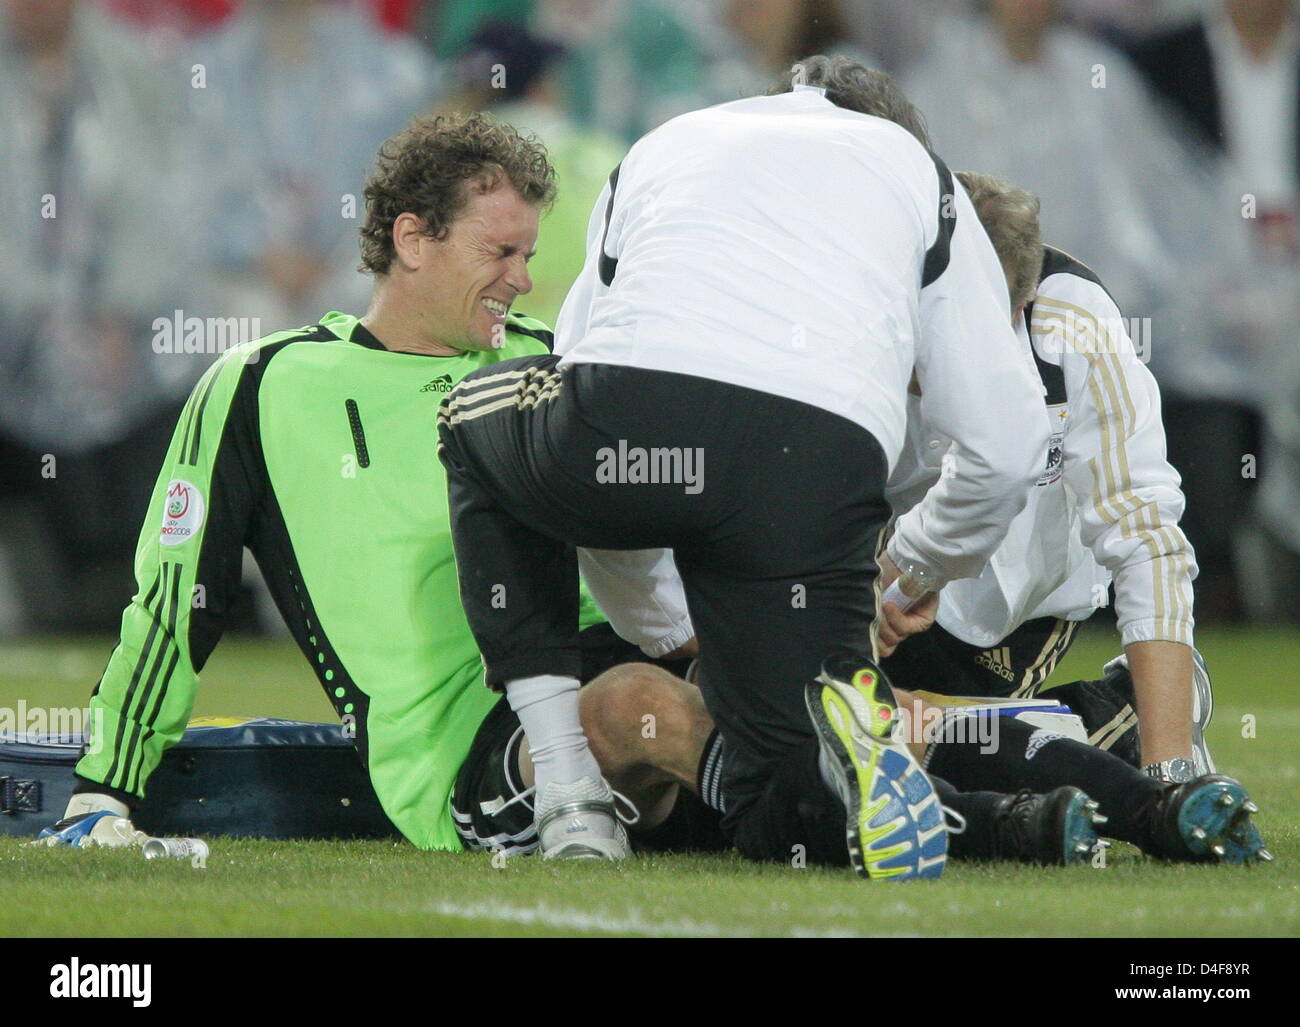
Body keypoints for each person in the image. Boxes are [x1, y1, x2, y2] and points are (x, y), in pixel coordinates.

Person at [436, 56, 1051, 879]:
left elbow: (576, 366)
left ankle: (567, 790)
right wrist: (912, 568)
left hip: (638, 424)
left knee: (474, 418)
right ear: (896, 133)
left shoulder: (667, 143)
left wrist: (659, 626)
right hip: (812, 471)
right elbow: (1007, 451)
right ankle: (860, 792)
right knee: (785, 788)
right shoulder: (921, 176)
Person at [36, 112, 710, 857]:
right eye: (501, 251)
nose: (522, 279)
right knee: (637, 706)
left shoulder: (552, 360)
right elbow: (176, 603)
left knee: (773, 681)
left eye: (529, 253)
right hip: (479, 749)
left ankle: (799, 795)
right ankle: (795, 787)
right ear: (414, 239)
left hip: (638, 666)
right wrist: (104, 788)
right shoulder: (264, 385)